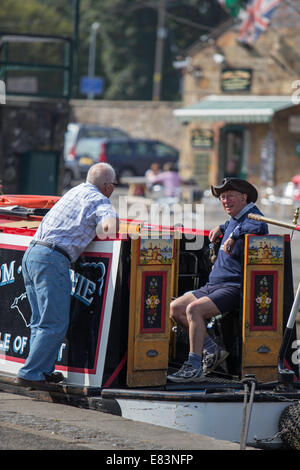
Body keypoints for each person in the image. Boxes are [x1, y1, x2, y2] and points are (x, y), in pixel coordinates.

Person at [16, 163, 119, 390]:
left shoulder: (74, 191)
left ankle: (42, 371)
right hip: (53, 258)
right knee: (54, 322)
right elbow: (110, 227)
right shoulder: (100, 199)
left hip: (33, 253)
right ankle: (31, 373)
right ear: (108, 186)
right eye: (114, 185)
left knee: (39, 321)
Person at [167, 178, 268, 383]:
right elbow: (236, 223)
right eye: (222, 197)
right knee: (175, 308)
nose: (225, 201)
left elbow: (258, 225)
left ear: (243, 197)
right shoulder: (235, 219)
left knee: (194, 310)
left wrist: (233, 235)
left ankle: (194, 365)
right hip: (214, 285)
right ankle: (212, 351)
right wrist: (223, 227)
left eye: (229, 196)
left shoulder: (252, 217)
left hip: (234, 287)